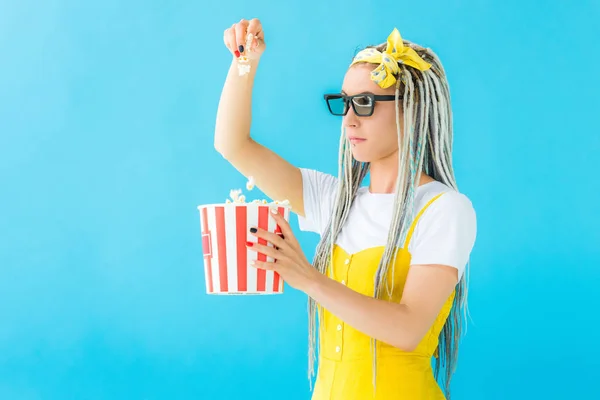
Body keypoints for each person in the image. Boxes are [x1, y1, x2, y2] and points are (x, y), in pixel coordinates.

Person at [217, 18, 477, 400]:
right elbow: (232, 144)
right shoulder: (335, 203)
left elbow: (408, 329)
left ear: (411, 109)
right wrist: (245, 61)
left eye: (366, 103)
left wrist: (307, 277)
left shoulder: (444, 209)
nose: (350, 119)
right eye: (345, 103)